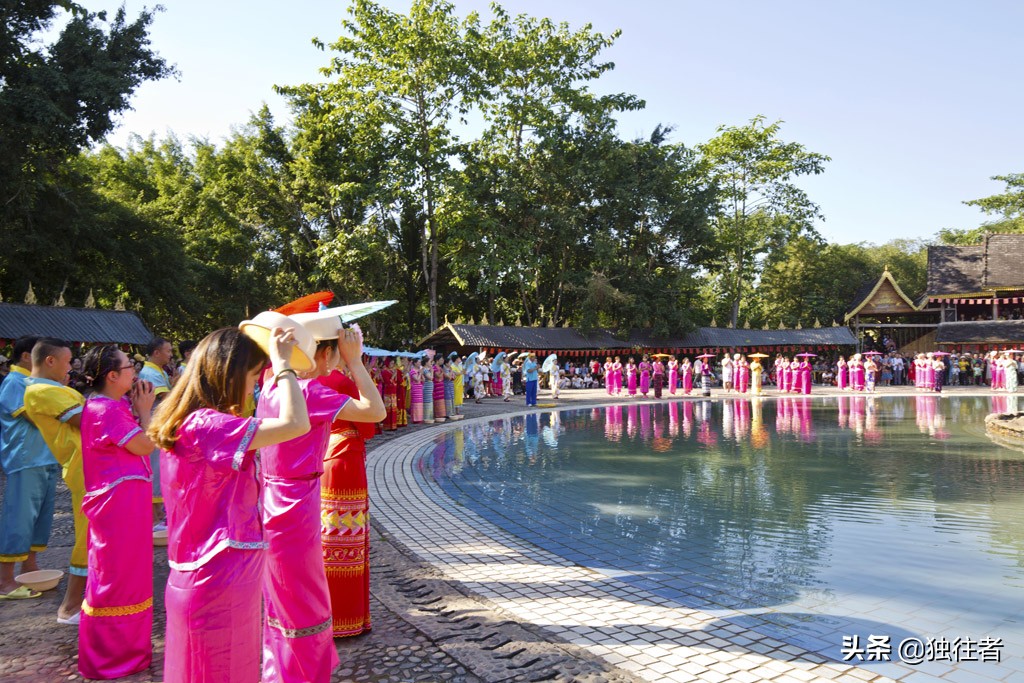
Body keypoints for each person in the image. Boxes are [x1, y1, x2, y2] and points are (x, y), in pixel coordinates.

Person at [149, 326, 311, 683]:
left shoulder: (191, 423)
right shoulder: (211, 426)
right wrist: (283, 367)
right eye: (254, 376)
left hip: (206, 572)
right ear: (230, 374)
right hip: (220, 576)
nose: (254, 387)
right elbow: (297, 423)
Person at [257, 318, 384, 682]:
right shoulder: (308, 392)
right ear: (326, 352)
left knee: (282, 599)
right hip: (298, 504)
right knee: (304, 601)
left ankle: (279, 670)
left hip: (273, 498)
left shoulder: (271, 386)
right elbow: (375, 412)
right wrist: (356, 361)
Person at [77, 344, 157, 678]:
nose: (135, 372)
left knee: (128, 574)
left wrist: (139, 408)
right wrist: (147, 411)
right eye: (129, 367)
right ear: (112, 376)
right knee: (116, 576)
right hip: (118, 505)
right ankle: (111, 657)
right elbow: (144, 445)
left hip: (125, 502)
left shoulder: (110, 405)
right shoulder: (104, 410)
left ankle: (128, 651)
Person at [23, 338, 87, 623]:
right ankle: (71, 606)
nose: (71, 367)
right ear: (50, 361)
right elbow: (87, 419)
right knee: (88, 536)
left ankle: (93, 600)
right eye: (67, 360)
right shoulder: (41, 391)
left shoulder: (55, 389)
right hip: (84, 467)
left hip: (93, 463)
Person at [316, 364, 377, 638]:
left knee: (329, 539)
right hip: (345, 460)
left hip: (321, 455)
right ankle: (349, 618)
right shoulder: (341, 381)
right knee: (349, 539)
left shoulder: (305, 379)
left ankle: (327, 618)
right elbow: (369, 424)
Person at [0, 335, 61, 601]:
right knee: (19, 519)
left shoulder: (36, 383)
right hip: (25, 459)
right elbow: (35, 415)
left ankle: (30, 568)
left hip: (45, 457)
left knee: (40, 519)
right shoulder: (14, 382)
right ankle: (5, 581)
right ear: (27, 356)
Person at [138, 337, 175, 531]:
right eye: (168, 351)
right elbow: (166, 397)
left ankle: (158, 513)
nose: (170, 355)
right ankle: (155, 516)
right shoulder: (150, 372)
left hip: (159, 422)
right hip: (153, 422)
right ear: (156, 353)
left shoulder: (158, 371)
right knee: (154, 467)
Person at [410, 359, 424, 423]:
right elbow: (417, 379)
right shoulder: (412, 371)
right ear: (415, 363)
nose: (420, 363)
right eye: (419, 362)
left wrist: (421, 373)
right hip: (415, 389)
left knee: (420, 403)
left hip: (420, 389)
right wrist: (420, 373)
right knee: (415, 404)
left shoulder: (419, 371)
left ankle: (420, 418)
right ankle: (415, 418)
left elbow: (423, 380)